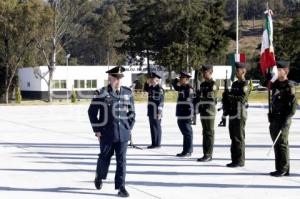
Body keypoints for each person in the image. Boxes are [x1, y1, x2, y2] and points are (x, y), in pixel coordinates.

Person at [88, 66, 135, 197]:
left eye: (120, 78)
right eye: (115, 78)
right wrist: (97, 129)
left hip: (123, 134)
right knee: (104, 158)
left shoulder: (127, 92)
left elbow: (132, 112)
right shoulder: (102, 93)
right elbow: (92, 112)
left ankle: (121, 187)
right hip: (107, 134)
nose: (118, 80)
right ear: (110, 78)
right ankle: (99, 176)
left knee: (122, 161)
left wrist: (128, 127)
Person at [268, 61, 298, 177]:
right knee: (276, 142)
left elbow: (293, 106)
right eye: (277, 69)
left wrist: (287, 118)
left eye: (280, 70)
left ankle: (284, 168)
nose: (278, 72)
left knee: (282, 143)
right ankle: (279, 168)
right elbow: (271, 91)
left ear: (286, 71)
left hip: (284, 117)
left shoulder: (289, 85)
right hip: (275, 117)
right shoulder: (276, 84)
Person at [225, 62, 251, 168]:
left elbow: (242, 99)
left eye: (238, 70)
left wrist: (230, 96)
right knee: (233, 137)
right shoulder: (235, 84)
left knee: (239, 137)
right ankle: (234, 159)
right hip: (233, 112)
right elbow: (231, 97)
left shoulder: (245, 85)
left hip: (240, 112)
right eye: (236, 70)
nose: (236, 72)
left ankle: (240, 160)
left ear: (243, 71)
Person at [195, 64, 218, 162]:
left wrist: (200, 97)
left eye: (205, 72)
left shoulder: (213, 84)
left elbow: (210, 98)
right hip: (203, 110)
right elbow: (201, 97)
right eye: (202, 72)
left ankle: (209, 154)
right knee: (205, 132)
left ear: (210, 72)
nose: (203, 74)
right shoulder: (203, 84)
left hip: (209, 111)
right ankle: (205, 153)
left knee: (209, 133)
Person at [172, 71, 194, 157]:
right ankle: (186, 150)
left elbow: (191, 102)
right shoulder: (182, 87)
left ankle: (188, 151)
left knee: (187, 132)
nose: (180, 79)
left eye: (182, 78)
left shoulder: (189, 88)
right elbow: (175, 86)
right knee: (185, 132)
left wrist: (190, 114)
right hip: (181, 112)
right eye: (180, 78)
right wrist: (175, 80)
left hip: (186, 113)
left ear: (187, 79)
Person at [144, 72, 165, 149]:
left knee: (157, 127)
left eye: (153, 79)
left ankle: (158, 144)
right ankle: (153, 143)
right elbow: (145, 88)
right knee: (152, 127)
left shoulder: (159, 89)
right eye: (151, 79)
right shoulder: (151, 87)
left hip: (156, 111)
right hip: (150, 111)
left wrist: (159, 112)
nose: (151, 80)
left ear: (157, 80)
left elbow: (161, 101)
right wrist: (147, 81)